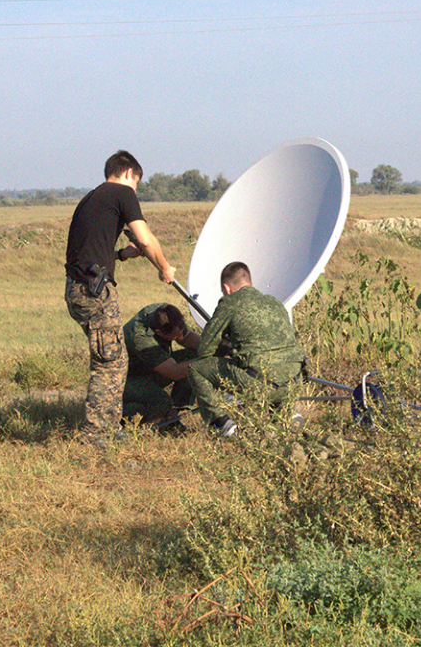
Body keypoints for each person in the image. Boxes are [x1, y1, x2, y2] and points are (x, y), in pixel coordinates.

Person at [64, 150, 175, 445]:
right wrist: (164, 268)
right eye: (137, 183)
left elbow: (88, 252)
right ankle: (95, 433)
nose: (135, 190)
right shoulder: (122, 192)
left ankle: (111, 427)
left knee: (115, 357)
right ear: (128, 174)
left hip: (80, 287)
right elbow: (146, 238)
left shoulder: (92, 198)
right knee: (109, 361)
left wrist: (122, 256)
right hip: (94, 292)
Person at [188, 261, 307, 437]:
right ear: (251, 284)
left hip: (261, 385)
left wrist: (226, 346)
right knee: (272, 365)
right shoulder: (274, 303)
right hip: (293, 383)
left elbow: (205, 350)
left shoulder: (230, 303)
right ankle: (285, 415)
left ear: (227, 288)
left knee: (196, 368)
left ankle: (220, 424)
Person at [123, 303, 200, 431]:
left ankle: (172, 418)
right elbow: (173, 372)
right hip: (126, 380)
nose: (180, 338)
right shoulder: (141, 339)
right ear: (159, 332)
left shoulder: (166, 314)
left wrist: (212, 348)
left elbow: (186, 337)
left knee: (192, 356)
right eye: (175, 336)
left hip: (147, 368)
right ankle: (116, 416)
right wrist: (208, 361)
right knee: (162, 403)